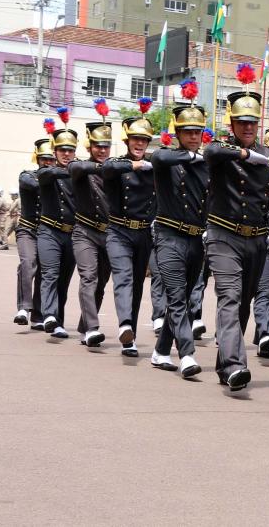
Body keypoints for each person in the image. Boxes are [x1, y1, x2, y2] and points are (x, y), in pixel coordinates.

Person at [204, 76, 269, 391]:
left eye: (252, 123)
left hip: (257, 239)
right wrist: (244, 156)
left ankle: (225, 364)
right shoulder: (223, 149)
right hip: (224, 236)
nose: (248, 128)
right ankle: (235, 365)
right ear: (231, 123)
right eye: (241, 122)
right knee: (229, 297)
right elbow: (211, 152)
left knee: (244, 302)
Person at [150, 85, 210, 379]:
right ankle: (186, 354)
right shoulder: (167, 159)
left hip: (195, 240)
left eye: (197, 132)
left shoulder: (205, 164)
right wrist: (191, 157)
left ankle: (161, 351)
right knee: (176, 297)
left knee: (183, 299)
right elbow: (159, 159)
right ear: (177, 133)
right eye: (187, 131)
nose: (193, 137)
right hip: (168, 238)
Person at [103, 101, 156, 359]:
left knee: (136, 285)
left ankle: (129, 336)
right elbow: (107, 169)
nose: (139, 144)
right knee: (123, 277)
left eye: (144, 141)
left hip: (143, 233)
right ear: (127, 141)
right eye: (135, 139)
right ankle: (124, 323)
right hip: (118, 231)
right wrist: (132, 166)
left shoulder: (153, 166)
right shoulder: (118, 163)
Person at [68, 106, 114, 348]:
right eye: (98, 145)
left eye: (106, 146)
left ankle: (85, 325)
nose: (103, 150)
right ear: (89, 147)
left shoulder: (115, 168)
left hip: (109, 234)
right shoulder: (80, 167)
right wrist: (107, 167)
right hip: (84, 232)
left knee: (101, 283)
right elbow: (77, 168)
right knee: (89, 276)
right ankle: (93, 328)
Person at [37, 113, 78, 339]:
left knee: (64, 279)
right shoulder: (46, 172)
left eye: (70, 150)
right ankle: (49, 315)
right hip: (49, 231)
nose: (65, 154)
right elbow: (48, 174)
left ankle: (58, 320)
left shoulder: (79, 174)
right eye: (61, 150)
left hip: (72, 234)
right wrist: (76, 169)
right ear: (54, 152)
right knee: (50, 274)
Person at [14, 139, 56, 329]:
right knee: (27, 262)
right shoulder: (27, 175)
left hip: (47, 231)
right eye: (44, 159)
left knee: (44, 271)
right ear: (37, 159)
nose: (48, 162)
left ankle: (38, 315)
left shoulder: (58, 179)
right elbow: (35, 185)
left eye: (51, 159)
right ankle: (23, 308)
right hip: (27, 229)